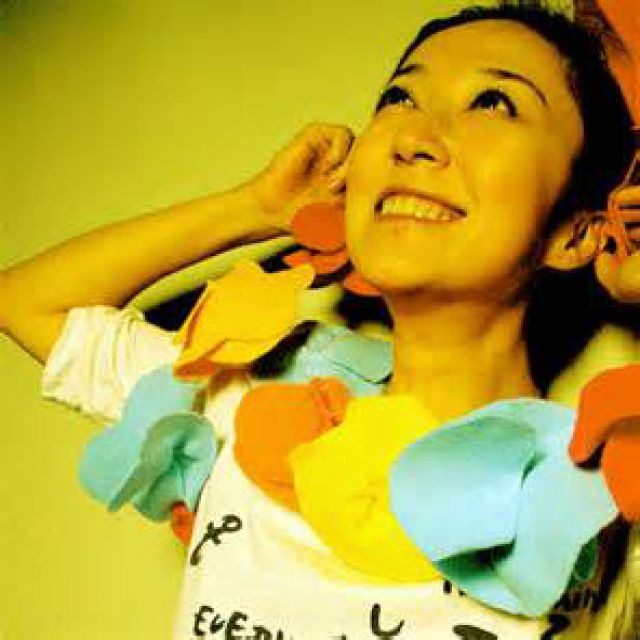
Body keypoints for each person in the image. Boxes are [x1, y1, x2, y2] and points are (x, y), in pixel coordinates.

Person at [2, 4, 640, 639]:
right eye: (400, 98)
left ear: (577, 231)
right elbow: (25, 301)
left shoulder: (604, 510)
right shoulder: (246, 407)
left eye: (494, 103)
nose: (412, 138)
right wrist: (255, 209)